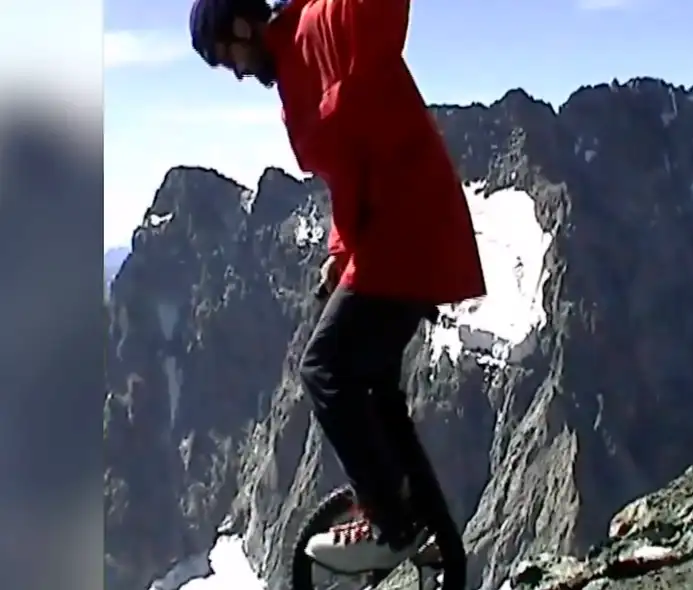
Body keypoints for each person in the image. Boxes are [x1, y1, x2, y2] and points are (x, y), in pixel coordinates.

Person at [188, 0, 486, 574]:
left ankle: (391, 523)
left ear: (243, 26)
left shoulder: (320, 22)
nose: (236, 73)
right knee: (372, 384)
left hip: (410, 230)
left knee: (324, 369)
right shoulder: (293, 80)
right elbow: (351, 173)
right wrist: (339, 254)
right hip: (389, 235)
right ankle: (437, 542)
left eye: (228, 57)